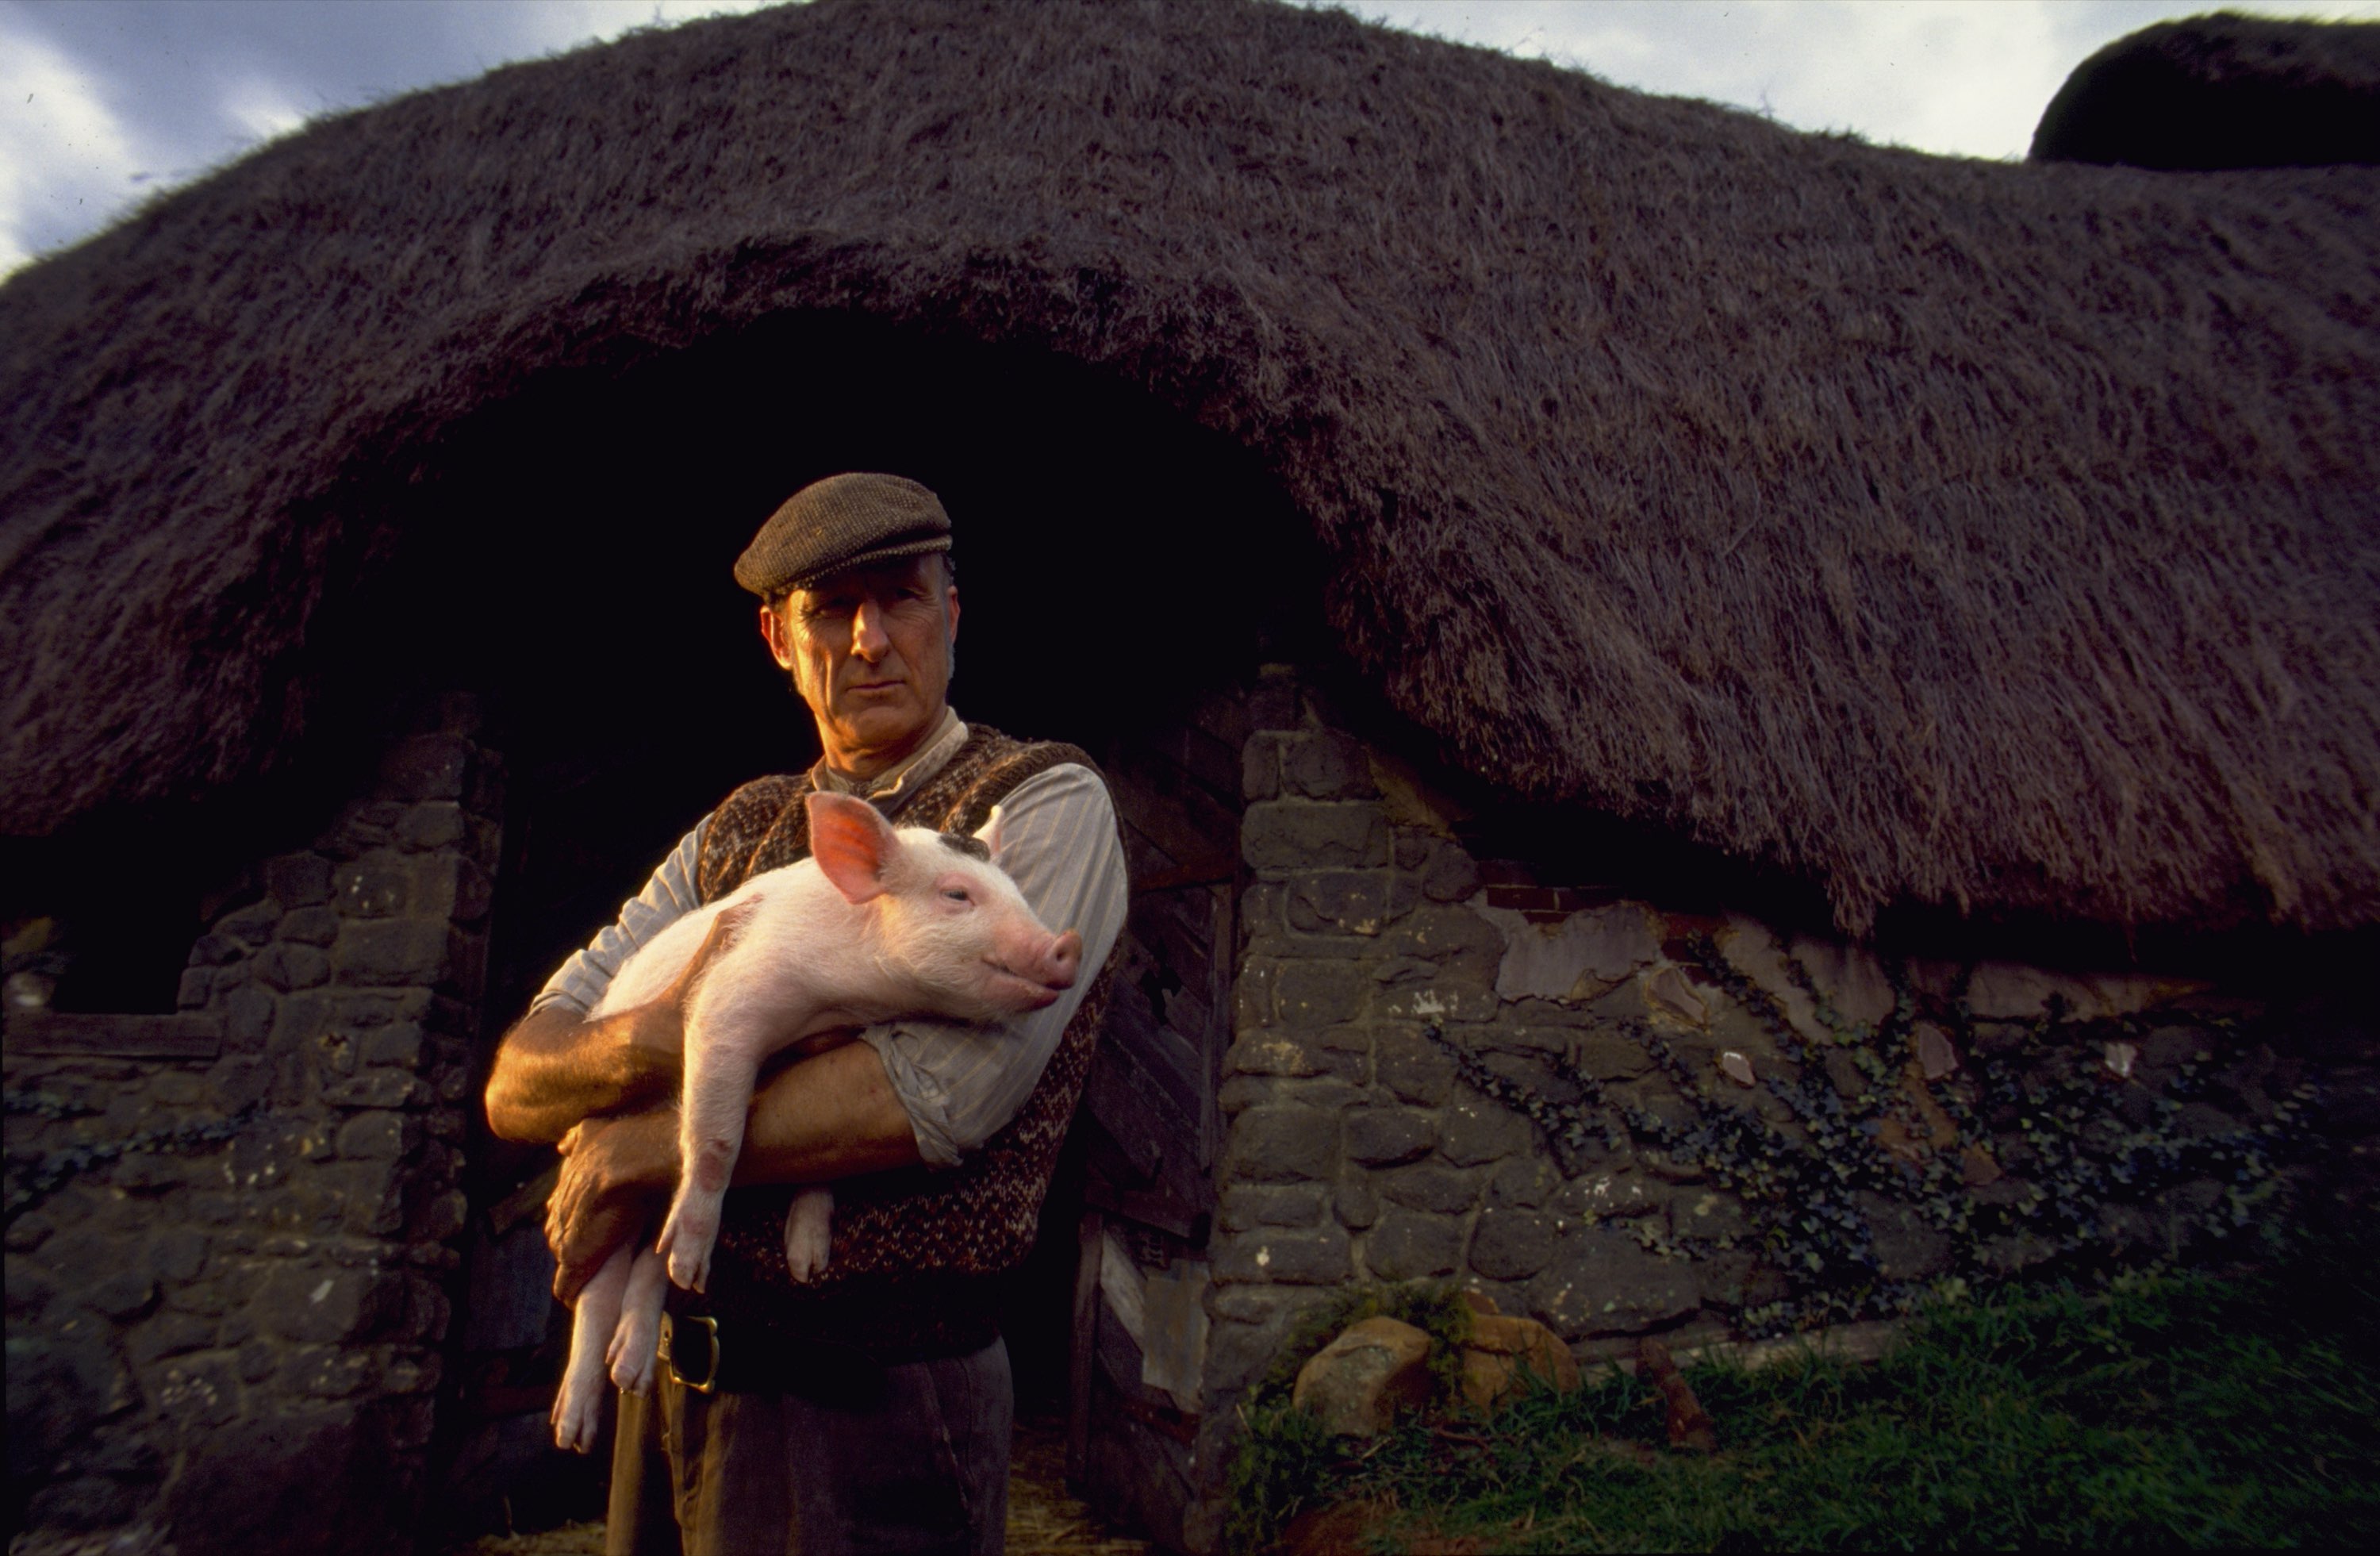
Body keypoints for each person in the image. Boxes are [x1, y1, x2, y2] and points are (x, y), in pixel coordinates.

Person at [483, 472, 1130, 1556]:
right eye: (833, 609)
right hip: (673, 1398)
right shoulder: (737, 834)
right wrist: (678, 1030)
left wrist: (640, 1151)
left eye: (904, 597)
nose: (871, 639)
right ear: (781, 640)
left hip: (874, 1408)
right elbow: (523, 1073)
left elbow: (932, 1096)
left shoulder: (1037, 806)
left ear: (954, 612)